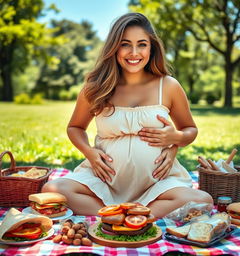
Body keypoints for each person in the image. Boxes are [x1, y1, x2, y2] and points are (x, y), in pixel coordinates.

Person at [42, 12, 213, 218]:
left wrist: (175, 139)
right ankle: (122, 215)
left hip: (157, 184)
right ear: (114, 48)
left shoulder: (168, 86)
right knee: (52, 190)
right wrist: (89, 152)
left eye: (142, 44)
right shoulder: (96, 87)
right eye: (125, 44)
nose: (134, 52)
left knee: (203, 200)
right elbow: (75, 127)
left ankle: (129, 215)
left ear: (152, 47)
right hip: (103, 182)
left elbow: (190, 129)